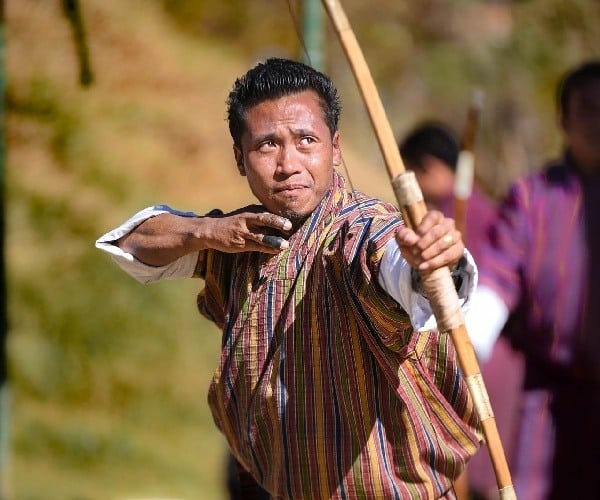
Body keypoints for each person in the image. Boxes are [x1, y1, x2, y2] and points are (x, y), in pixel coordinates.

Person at [96, 57, 482, 499]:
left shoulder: (360, 230)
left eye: (306, 141)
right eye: (266, 146)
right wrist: (207, 231)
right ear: (240, 159)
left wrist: (429, 260)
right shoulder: (235, 237)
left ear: (335, 148)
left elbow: (400, 266)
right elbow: (132, 244)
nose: (288, 164)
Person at [467, 60, 600, 499]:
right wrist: (471, 337)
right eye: (586, 109)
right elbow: (500, 272)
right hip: (545, 392)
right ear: (563, 120)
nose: (597, 120)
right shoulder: (533, 195)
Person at [399, 123, 524, 499]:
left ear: (431, 168)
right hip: (470, 352)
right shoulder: (451, 211)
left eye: (415, 174)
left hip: (482, 355)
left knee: (477, 465)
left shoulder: (462, 215)